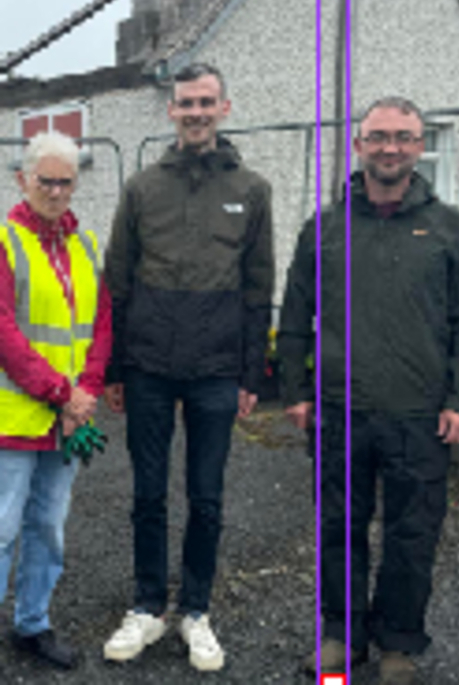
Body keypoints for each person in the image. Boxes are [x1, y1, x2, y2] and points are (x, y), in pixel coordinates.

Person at [279, 96, 459, 685]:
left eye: (404, 137)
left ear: (420, 148)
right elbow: (296, 317)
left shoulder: (448, 230)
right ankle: (343, 635)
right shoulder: (324, 228)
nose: (390, 147)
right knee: (339, 527)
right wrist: (294, 389)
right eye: (379, 136)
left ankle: (399, 641)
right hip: (340, 412)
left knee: (412, 534)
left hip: (421, 414)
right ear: (360, 145)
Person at [102, 63, 273, 672]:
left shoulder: (251, 190)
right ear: (170, 112)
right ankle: (148, 605)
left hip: (216, 369)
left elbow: (258, 288)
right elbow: (117, 279)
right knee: (148, 493)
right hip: (147, 364)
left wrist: (253, 374)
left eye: (206, 102)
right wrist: (114, 369)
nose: (196, 112)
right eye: (185, 103)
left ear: (224, 108)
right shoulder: (143, 187)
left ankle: (196, 610)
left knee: (207, 497)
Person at [0, 131, 111, 670]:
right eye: (46, 180)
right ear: (23, 180)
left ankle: (32, 624)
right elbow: (4, 333)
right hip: (14, 417)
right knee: (0, 529)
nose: (56, 190)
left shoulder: (84, 244)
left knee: (48, 527)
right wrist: (64, 393)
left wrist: (86, 389)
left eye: (65, 181)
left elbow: (100, 323)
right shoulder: (5, 241)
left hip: (66, 418)